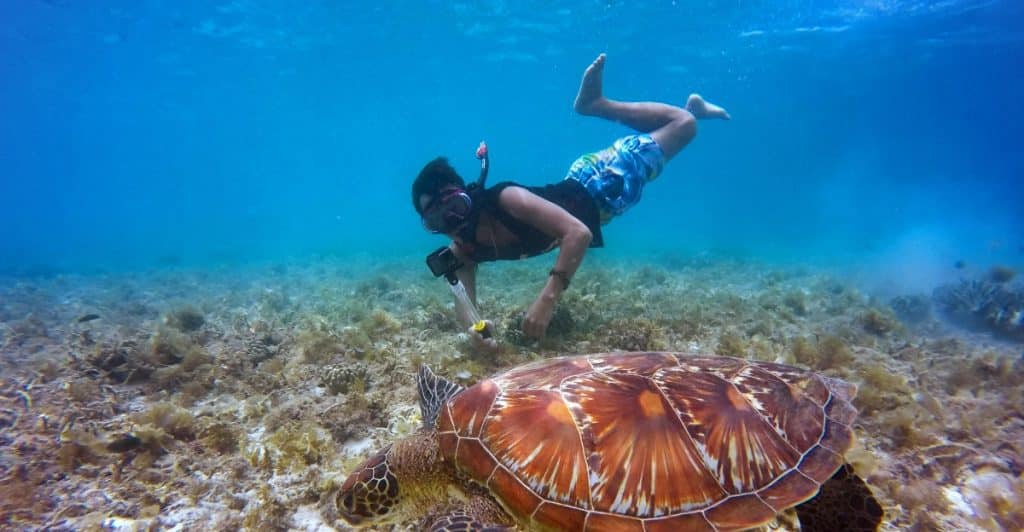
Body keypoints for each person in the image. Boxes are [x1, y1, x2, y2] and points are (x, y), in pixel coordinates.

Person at [412, 53, 730, 353]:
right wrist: (477, 333)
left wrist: (547, 300)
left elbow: (578, 234)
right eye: (438, 222)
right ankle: (693, 108)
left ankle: (596, 104)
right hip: (594, 196)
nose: (453, 223)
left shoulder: (505, 199)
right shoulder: (463, 250)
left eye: (455, 208)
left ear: (468, 195)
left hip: (601, 183)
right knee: (673, 133)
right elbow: (466, 307)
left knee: (684, 127)